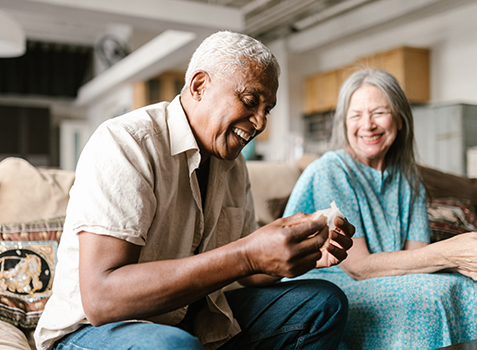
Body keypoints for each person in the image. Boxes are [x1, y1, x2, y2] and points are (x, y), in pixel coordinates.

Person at [34, 31, 355, 350]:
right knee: (170, 345)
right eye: (249, 101)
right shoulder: (126, 142)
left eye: (267, 108)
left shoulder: (232, 163)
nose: (259, 122)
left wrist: (300, 251)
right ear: (199, 86)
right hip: (93, 331)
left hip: (189, 318)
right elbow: (103, 299)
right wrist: (246, 255)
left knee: (323, 303)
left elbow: (251, 274)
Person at [282, 68, 477, 349]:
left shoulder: (408, 178)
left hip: (386, 279)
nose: (367, 125)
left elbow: (417, 259)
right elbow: (358, 267)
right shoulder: (331, 170)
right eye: (356, 115)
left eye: (379, 113)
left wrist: (456, 263)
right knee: (426, 297)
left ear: (399, 119)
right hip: (328, 288)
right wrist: (450, 253)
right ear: (344, 124)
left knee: (466, 288)